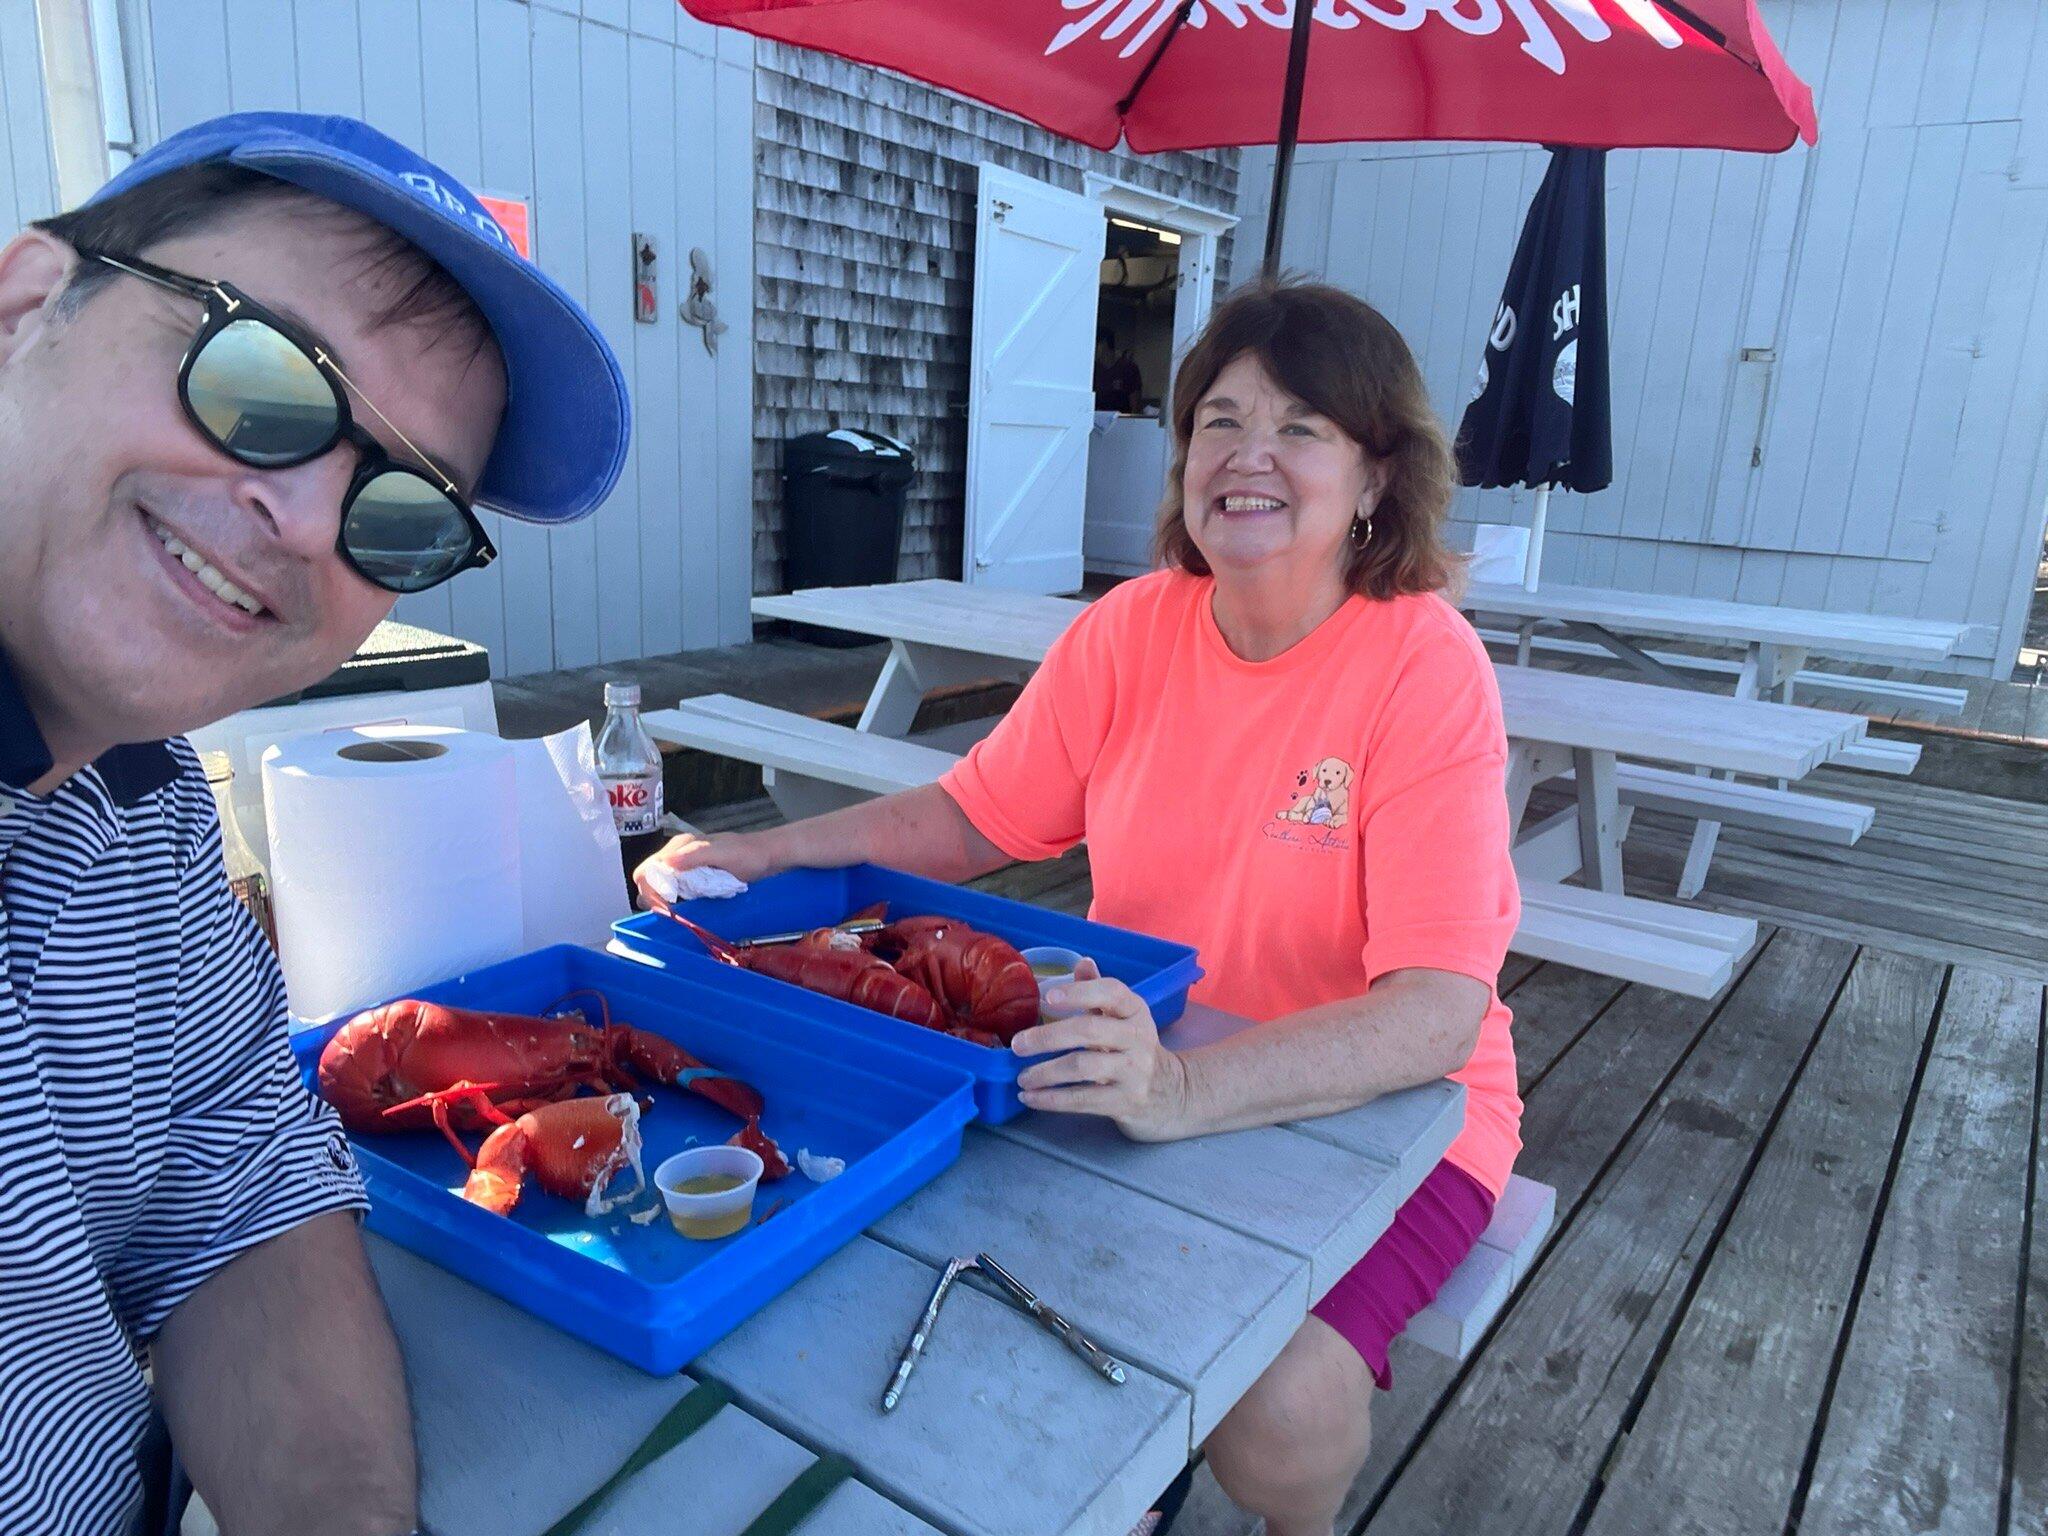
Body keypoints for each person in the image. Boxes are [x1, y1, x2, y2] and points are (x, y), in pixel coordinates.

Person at [640, 279, 1520, 1536]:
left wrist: (1183, 1091)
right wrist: (766, 852)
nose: (1248, 456)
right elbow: (969, 817)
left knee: (1275, 1411)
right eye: (1218, 421)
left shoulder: (1423, 666)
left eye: (1299, 427)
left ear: (1377, 475)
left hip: (1393, 1112)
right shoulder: (1131, 629)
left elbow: (1434, 1015)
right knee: (926, 1287)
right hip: (1132, 1063)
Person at [0, 113, 627, 1535]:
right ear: (26, 306)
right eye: (261, 376)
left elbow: (237, 1197)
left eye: (401, 510)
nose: (300, 519)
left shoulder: (147, 807)